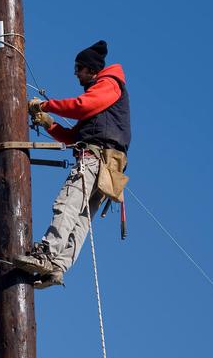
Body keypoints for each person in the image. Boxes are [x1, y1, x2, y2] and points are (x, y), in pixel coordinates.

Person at [13, 40, 131, 288]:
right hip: (108, 167)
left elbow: (81, 106)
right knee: (81, 219)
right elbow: (73, 135)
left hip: (95, 160)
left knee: (68, 204)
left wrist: (44, 104)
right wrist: (47, 122)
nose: (76, 73)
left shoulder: (108, 84)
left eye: (79, 68)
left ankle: (46, 253)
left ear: (91, 69)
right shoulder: (103, 97)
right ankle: (58, 266)